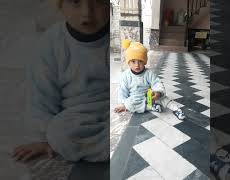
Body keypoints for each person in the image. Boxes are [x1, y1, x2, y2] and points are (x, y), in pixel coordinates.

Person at [12, 0, 109, 162]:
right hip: (77, 117)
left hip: (113, 110)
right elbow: (40, 96)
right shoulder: (51, 43)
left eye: (98, 2)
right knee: (59, 134)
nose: (87, 12)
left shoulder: (119, 37)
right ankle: (111, 149)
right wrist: (42, 138)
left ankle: (111, 147)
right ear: (60, 6)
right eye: (75, 2)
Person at [114, 39, 185, 120]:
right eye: (133, 61)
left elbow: (157, 83)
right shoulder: (125, 76)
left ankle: (176, 109)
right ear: (128, 62)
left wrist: (158, 92)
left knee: (164, 99)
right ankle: (151, 107)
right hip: (135, 98)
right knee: (129, 104)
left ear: (144, 62)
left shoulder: (149, 73)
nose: (137, 65)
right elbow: (122, 91)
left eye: (140, 61)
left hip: (150, 96)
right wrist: (123, 104)